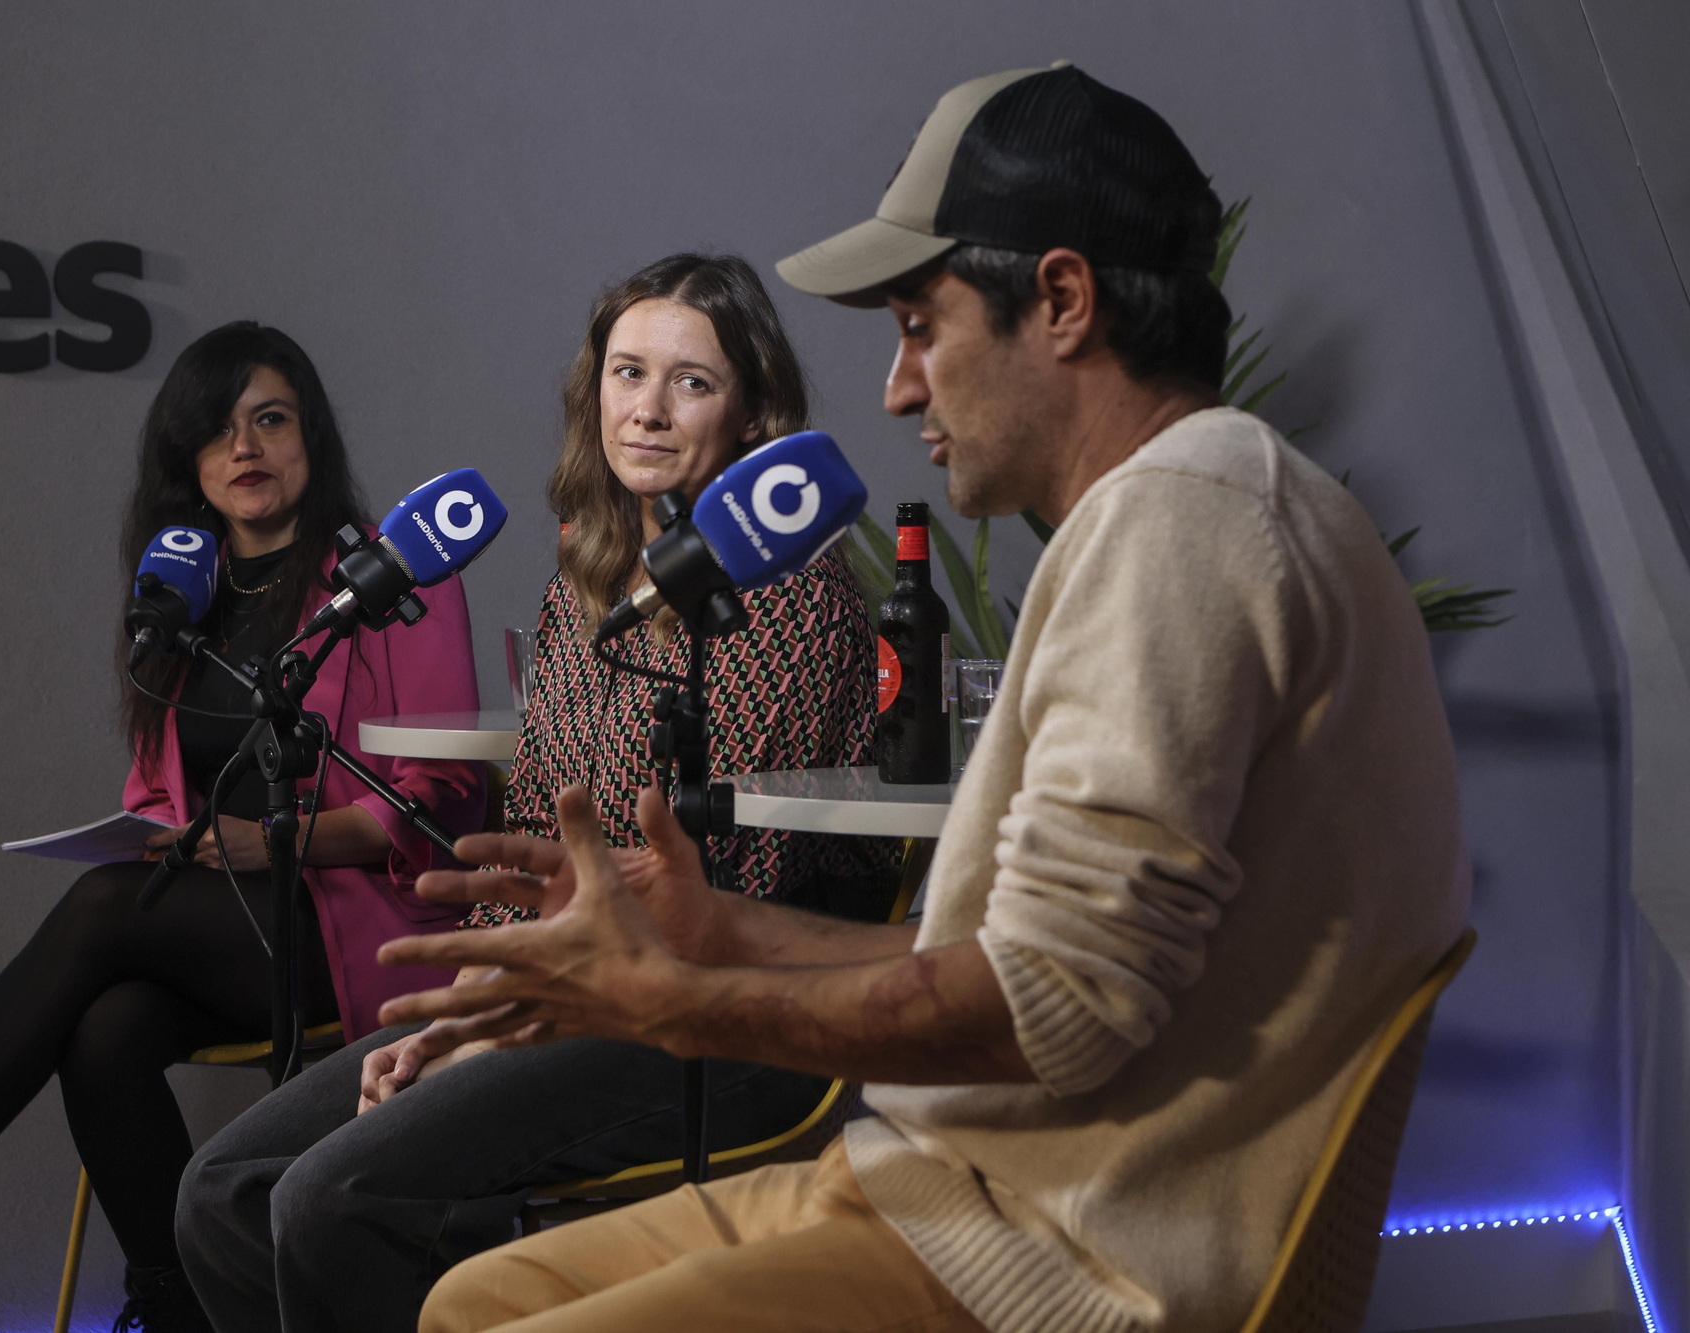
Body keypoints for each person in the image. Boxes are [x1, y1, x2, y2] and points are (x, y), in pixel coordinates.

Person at [372, 64, 1472, 1333]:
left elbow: (1047, 1012)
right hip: (944, 1188)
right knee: (474, 1293)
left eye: (916, 324)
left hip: (1052, 1261)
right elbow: (1024, 967)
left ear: (1059, 301)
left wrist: (668, 1004)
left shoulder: (1182, 521)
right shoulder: (1186, 510)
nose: (898, 389)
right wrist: (714, 928)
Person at [0, 322, 486, 1333]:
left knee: (105, 908)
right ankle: (178, 1303)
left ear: (311, 437)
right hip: (225, 926)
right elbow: (160, 795)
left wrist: (273, 838)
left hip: (363, 924)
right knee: (105, 1031)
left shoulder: (389, 581)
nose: (244, 448)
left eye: (269, 420)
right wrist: (160, 835)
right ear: (186, 463)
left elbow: (444, 793)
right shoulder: (178, 597)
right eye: (216, 429)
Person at [174, 254, 895, 1333]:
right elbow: (532, 844)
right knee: (221, 1191)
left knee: (335, 1197)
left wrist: (489, 1029)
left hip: (732, 1014)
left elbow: (706, 897)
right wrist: (472, 997)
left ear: (750, 413)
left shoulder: (789, 592)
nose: (645, 409)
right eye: (625, 373)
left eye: (689, 382)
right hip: (561, 983)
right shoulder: (584, 583)